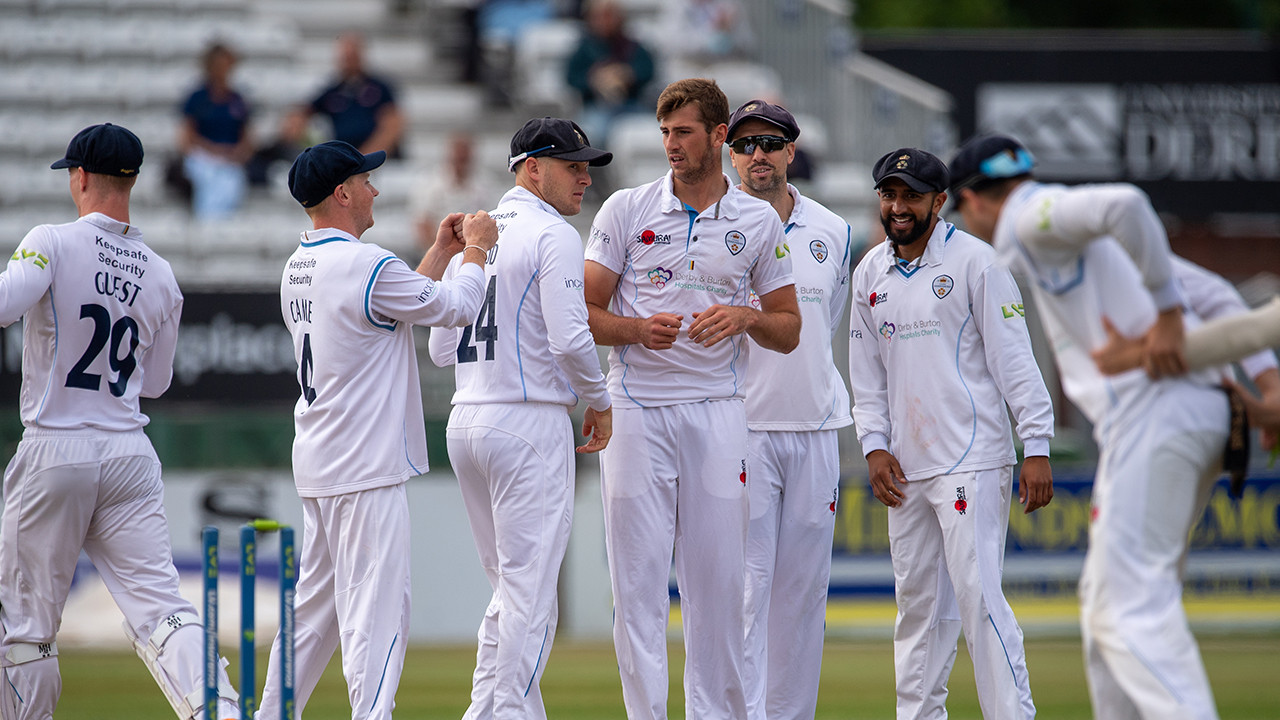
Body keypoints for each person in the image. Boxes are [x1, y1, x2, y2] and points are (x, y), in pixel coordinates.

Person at [948, 133, 1231, 719]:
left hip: (1156, 413)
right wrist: (1265, 383)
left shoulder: (1030, 217)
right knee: (1102, 608)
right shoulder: (1078, 241)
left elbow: (1125, 202)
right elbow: (1216, 290)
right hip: (1167, 417)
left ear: (974, 199)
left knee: (1128, 612)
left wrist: (1169, 316)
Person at [0, 123, 240, 719]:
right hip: (129, 451)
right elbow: (154, 383)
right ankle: (223, 710)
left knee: (26, 626)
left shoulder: (50, 241)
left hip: (57, 445)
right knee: (163, 610)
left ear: (79, 177)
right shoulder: (159, 272)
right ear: (132, 180)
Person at [583, 77, 801, 720]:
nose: (672, 146)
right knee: (637, 587)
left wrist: (744, 317)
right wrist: (635, 331)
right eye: (665, 133)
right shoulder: (625, 209)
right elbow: (582, 313)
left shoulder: (757, 220)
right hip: (637, 409)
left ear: (718, 135)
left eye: (684, 132)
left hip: (717, 409)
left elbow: (788, 329)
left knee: (719, 588)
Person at [256, 141, 497, 720]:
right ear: (343, 193)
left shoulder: (300, 264)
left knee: (313, 616)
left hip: (321, 458)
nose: (376, 191)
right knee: (378, 613)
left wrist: (440, 252)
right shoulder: (367, 263)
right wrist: (478, 252)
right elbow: (457, 309)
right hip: (364, 464)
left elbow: (390, 308)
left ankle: (269, 715)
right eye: (367, 180)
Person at [848, 147, 1054, 720]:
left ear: (940, 201)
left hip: (973, 457)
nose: (898, 207)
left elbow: (1016, 360)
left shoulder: (976, 263)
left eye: (911, 195)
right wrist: (875, 446)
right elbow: (866, 377)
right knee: (917, 609)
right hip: (906, 468)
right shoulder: (870, 272)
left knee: (979, 600)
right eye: (889, 195)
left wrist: (1034, 444)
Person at [426, 116, 614, 719]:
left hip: (467, 420)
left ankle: (489, 712)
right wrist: (601, 401)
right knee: (531, 600)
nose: (585, 177)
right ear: (532, 168)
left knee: (512, 595)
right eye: (572, 165)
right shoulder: (552, 234)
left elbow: (437, 347)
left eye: (587, 165)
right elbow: (569, 338)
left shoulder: (477, 234)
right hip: (528, 423)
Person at [724, 99, 855, 720]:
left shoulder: (832, 230)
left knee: (803, 594)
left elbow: (821, 327)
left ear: (790, 153)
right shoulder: (716, 226)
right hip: (742, 428)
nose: (758, 156)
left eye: (770, 144)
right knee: (747, 591)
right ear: (730, 152)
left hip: (815, 427)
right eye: (746, 144)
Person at [281, 32, 405, 157]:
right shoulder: (332, 90)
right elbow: (302, 113)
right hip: (344, 157)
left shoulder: (381, 88)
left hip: (377, 158)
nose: (348, 61)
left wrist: (366, 157)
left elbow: (393, 125)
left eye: (353, 56)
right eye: (345, 57)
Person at [178, 42, 255, 220]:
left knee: (232, 183)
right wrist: (213, 150)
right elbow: (187, 137)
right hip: (202, 157)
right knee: (207, 182)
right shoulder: (197, 99)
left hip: (230, 161)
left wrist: (236, 153)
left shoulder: (237, 100)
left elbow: (247, 138)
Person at [565, 0, 656, 146]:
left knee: (651, 133)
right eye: (600, 16)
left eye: (609, 16)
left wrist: (628, 74)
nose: (605, 21)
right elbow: (571, 78)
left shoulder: (632, 46)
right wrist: (593, 80)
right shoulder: (584, 48)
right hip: (596, 106)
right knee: (595, 136)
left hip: (631, 104)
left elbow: (648, 71)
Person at [410, 131, 504, 251]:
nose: (461, 157)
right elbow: (422, 225)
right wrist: (440, 253)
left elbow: (495, 221)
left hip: (477, 249)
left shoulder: (488, 183)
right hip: (438, 249)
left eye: (465, 155)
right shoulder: (428, 182)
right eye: (458, 154)